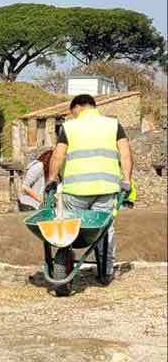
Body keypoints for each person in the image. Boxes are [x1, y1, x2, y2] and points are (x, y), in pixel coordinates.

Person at [46, 94, 135, 285]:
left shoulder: (69, 127)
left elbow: (57, 156)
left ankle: (65, 260)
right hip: (106, 188)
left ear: (78, 107)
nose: (72, 116)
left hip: (75, 189)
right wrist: (126, 180)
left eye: (72, 112)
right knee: (105, 230)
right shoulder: (113, 125)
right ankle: (106, 272)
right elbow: (125, 154)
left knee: (69, 228)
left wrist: (51, 180)